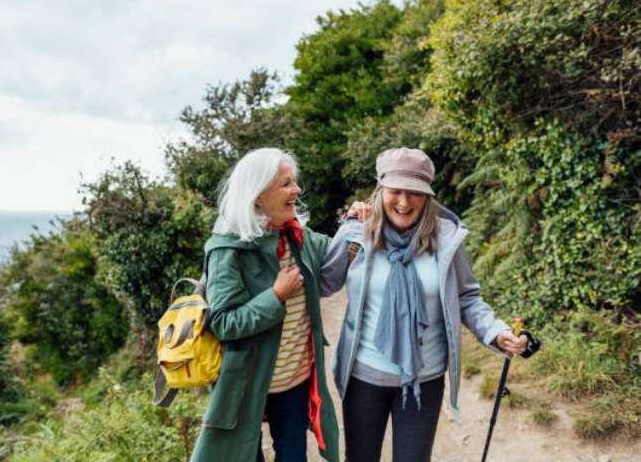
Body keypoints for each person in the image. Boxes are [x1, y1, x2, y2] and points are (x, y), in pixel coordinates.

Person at [323, 147, 528, 462]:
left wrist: (495, 332)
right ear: (380, 191)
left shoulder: (446, 240)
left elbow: (467, 297)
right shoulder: (356, 233)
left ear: (428, 196)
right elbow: (323, 282)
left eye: (415, 193)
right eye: (395, 191)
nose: (404, 202)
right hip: (364, 378)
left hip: (425, 379)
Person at [191, 147, 351, 462]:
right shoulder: (227, 250)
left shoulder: (296, 236)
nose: (297, 190)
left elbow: (341, 254)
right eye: (286, 184)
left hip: (293, 381)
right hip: (246, 385)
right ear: (258, 196)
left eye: (294, 182)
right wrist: (275, 295)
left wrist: (356, 225)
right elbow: (223, 322)